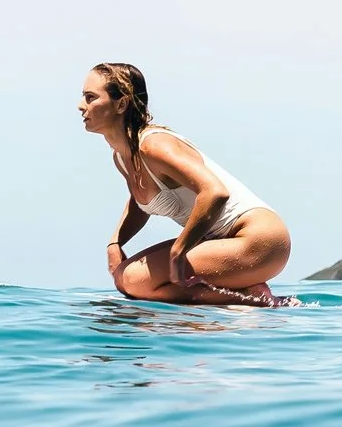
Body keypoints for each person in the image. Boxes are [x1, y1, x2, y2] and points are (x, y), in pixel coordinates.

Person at [80, 62, 293, 305]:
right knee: (127, 280)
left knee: (133, 280)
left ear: (121, 104)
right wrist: (116, 241)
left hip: (258, 239)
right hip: (221, 240)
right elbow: (141, 201)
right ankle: (243, 296)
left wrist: (179, 250)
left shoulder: (154, 145)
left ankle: (256, 300)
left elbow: (214, 192)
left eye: (90, 97)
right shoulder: (122, 157)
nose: (80, 106)